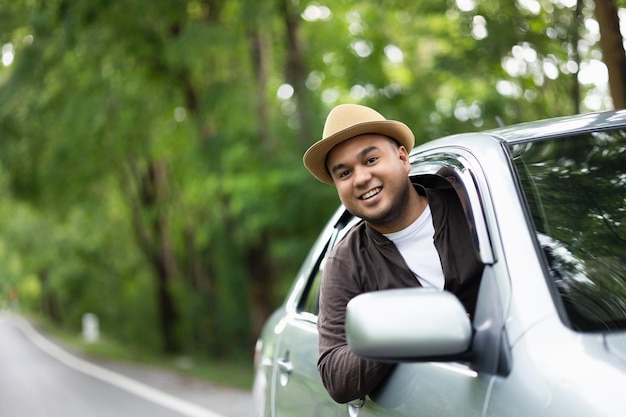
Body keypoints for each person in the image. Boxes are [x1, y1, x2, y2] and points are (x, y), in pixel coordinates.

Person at [302, 104, 484, 404]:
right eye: (344, 173)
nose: (360, 178)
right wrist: (416, 327)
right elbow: (335, 374)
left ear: (402, 158)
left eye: (371, 159)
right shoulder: (345, 262)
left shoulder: (474, 209)